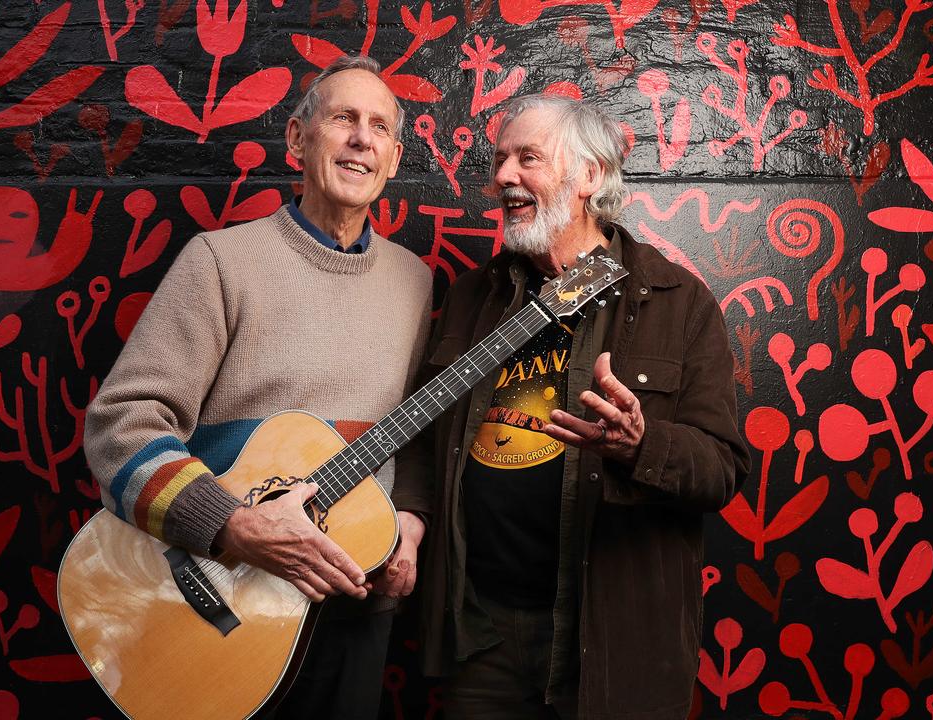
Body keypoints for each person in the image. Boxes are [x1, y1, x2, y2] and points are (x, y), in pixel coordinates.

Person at [83, 55, 431, 718]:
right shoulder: (219, 262)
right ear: (298, 140)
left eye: (380, 127)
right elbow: (122, 425)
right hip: (219, 598)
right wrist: (233, 527)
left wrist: (410, 524)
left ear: (392, 159)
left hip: (353, 606)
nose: (362, 138)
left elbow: (413, 433)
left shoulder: (416, 283)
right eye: (344, 120)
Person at [391, 94, 751, 719]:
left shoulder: (678, 302)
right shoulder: (475, 296)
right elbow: (427, 433)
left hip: (610, 641)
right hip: (482, 633)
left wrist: (640, 446)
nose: (503, 176)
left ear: (590, 176)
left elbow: (721, 469)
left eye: (528, 158)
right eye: (500, 159)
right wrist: (411, 518)